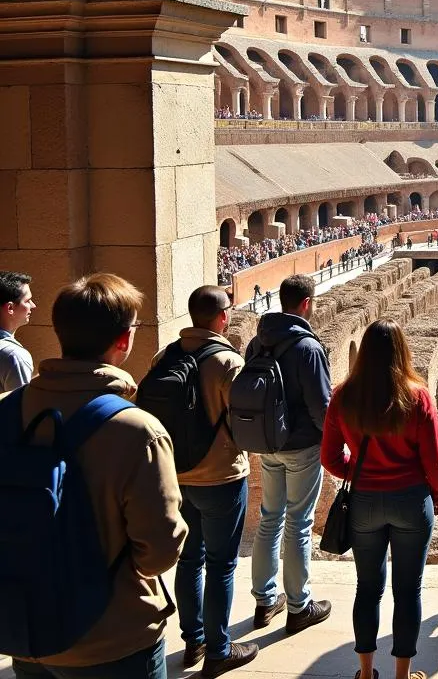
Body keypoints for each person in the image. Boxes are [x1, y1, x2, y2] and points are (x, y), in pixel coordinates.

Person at [6, 273, 187, 679]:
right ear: (123, 340)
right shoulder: (138, 430)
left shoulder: (5, 412)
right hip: (111, 638)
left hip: (26, 626)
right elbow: (159, 549)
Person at [321, 320, 438, 679]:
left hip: (364, 502)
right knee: (408, 591)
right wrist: (437, 496)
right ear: (401, 352)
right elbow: (435, 462)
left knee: (368, 588)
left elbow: (330, 457)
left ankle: (365, 671)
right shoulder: (417, 395)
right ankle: (403, 675)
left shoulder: (343, 395)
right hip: (410, 500)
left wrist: (358, 473)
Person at [168, 286, 256, 675]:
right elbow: (245, 420)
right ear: (222, 317)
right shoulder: (226, 361)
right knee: (221, 565)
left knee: (189, 561)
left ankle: (193, 642)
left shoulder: (164, 356)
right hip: (221, 476)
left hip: (177, 476)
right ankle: (219, 649)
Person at [247, 274, 332, 634]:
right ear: (307, 304)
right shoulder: (308, 348)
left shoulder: (257, 342)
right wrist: (331, 440)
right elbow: (321, 405)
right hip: (302, 447)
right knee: (299, 523)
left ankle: (265, 601)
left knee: (270, 518)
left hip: (268, 443)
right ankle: (299, 606)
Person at [0, 270, 36, 392]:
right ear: (10, 308)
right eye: (27, 301)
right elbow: (19, 407)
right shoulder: (13, 356)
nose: (33, 305)